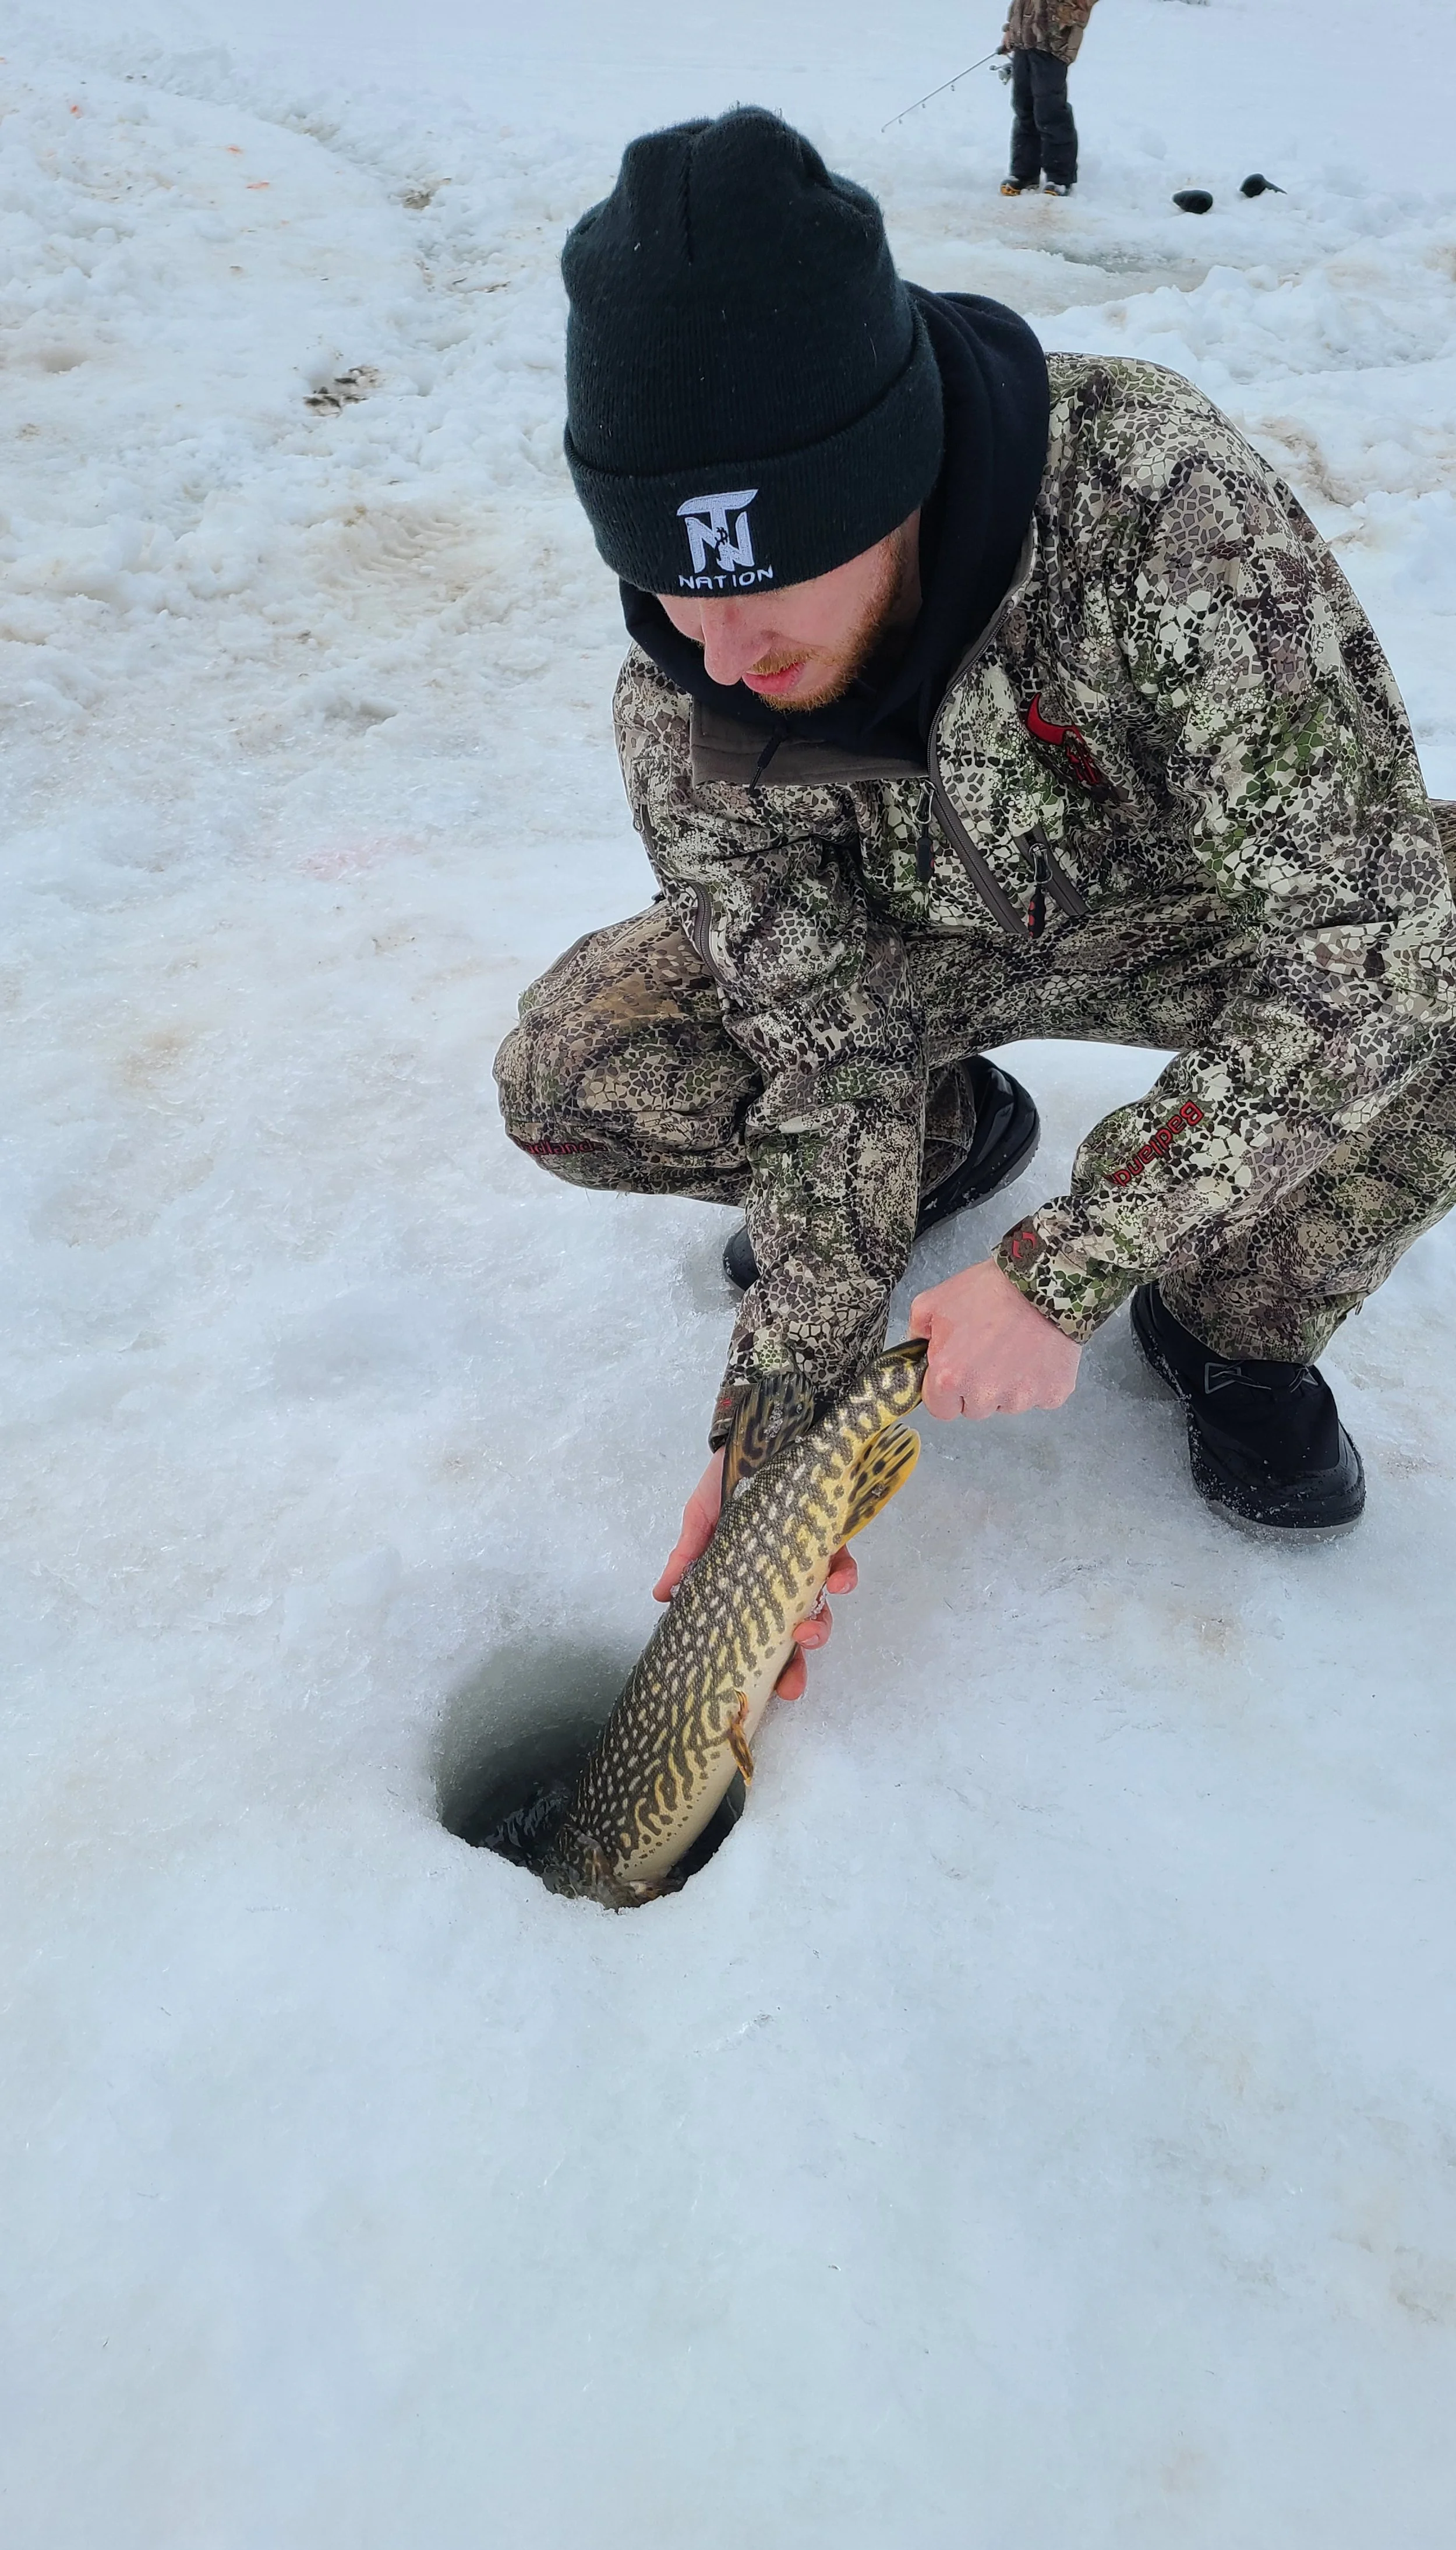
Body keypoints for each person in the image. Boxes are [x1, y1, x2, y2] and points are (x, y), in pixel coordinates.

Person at [496, 107, 1456, 1696]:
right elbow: (818, 1043)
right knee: (576, 1068)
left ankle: (1230, 1312)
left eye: (759, 582)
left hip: (1203, 924)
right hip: (915, 967)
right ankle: (956, 1135)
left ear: (887, 477)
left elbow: (1364, 945)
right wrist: (778, 1447)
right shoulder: (692, 695)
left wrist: (1065, 1266)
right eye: (668, 589)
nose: (716, 656)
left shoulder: (1159, 506)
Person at [999, 0, 1098, 197]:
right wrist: (1011, 28)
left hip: (1054, 44)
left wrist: (1064, 15)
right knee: (1024, 108)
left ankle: (1060, 177)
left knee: (1050, 111)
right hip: (1024, 42)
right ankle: (1024, 173)